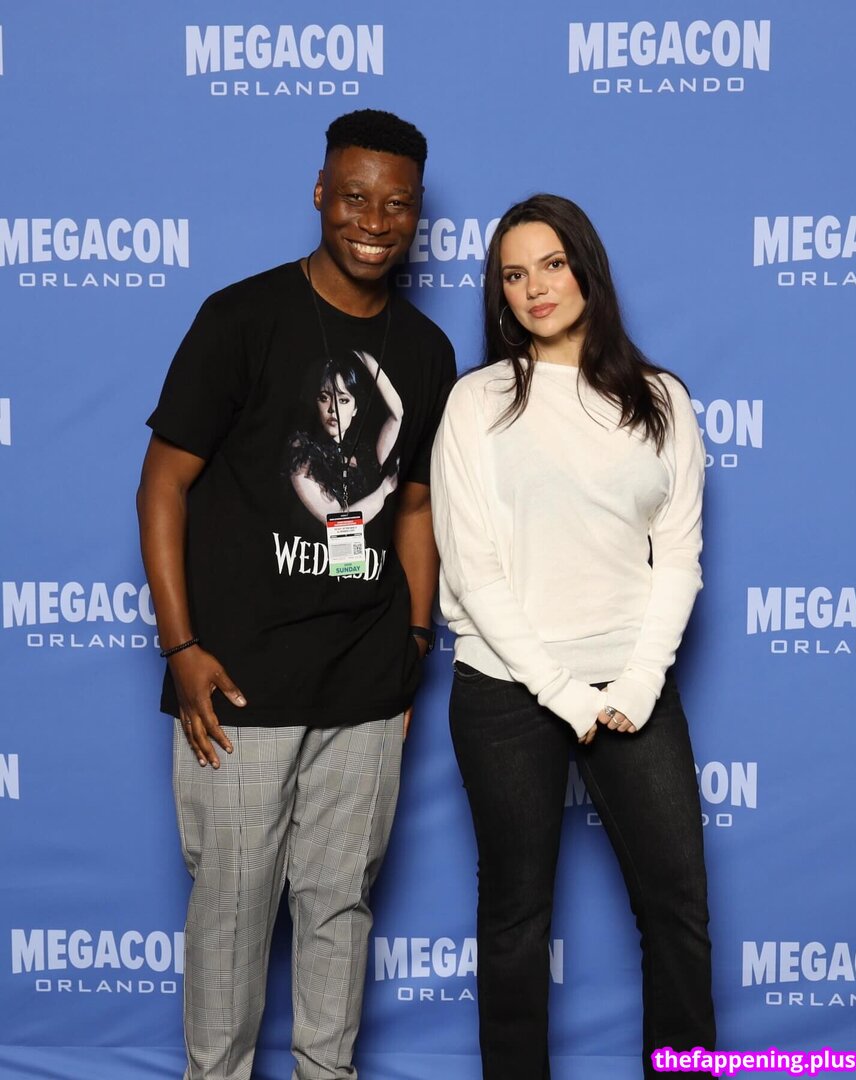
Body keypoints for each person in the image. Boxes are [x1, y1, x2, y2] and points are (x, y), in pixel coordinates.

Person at [136, 109, 455, 1080]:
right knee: (231, 912)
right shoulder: (241, 318)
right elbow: (163, 485)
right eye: (354, 197)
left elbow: (414, 506)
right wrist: (181, 650)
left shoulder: (427, 351)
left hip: (365, 684)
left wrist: (412, 639)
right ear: (320, 194)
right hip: (238, 682)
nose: (374, 221)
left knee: (338, 907)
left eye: (396, 205)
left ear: (417, 214)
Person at [430, 194, 715, 1078]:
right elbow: (472, 569)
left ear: (586, 266)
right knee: (516, 919)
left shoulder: (661, 399)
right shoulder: (476, 402)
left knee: (676, 909)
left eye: (552, 264)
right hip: (508, 691)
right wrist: (559, 692)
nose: (535, 288)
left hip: (630, 686)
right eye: (514, 275)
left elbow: (679, 558)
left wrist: (635, 684)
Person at [284, 349, 403, 524]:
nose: (333, 409)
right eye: (324, 398)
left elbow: (397, 414)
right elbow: (336, 522)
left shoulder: (363, 453)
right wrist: (385, 489)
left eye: (343, 400)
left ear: (355, 409)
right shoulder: (302, 455)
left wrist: (363, 355)